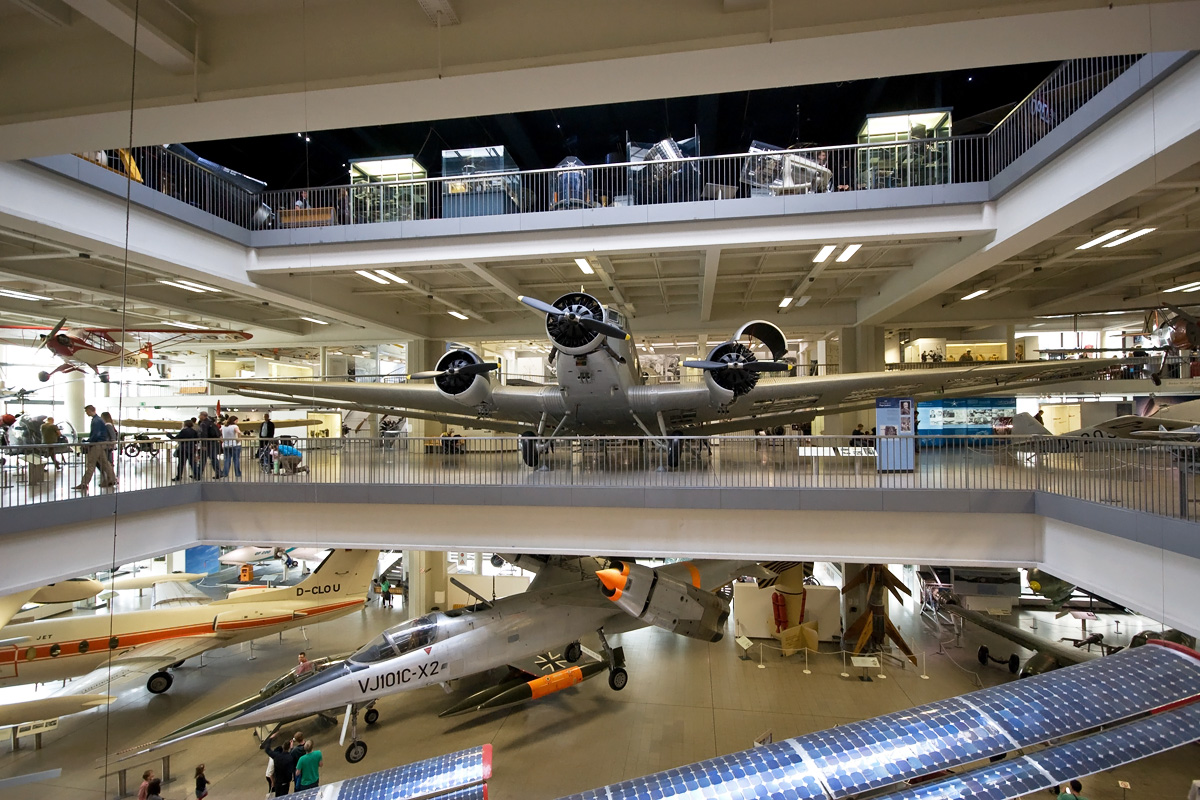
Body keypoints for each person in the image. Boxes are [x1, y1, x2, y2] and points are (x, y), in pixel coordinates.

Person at [75, 404, 117, 493]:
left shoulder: (96, 421)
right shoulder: (99, 420)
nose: (86, 413)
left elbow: (96, 434)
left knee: (91, 463)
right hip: (100, 444)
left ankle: (84, 483)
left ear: (90, 410)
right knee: (104, 463)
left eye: (86, 411)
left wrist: (88, 442)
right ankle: (112, 479)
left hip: (96, 444)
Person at [197, 411, 221, 478]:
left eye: (200, 415)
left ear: (203, 416)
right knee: (214, 458)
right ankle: (219, 473)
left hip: (207, 443)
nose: (199, 416)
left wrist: (204, 444)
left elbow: (203, 434)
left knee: (203, 459)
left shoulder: (203, 424)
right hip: (213, 442)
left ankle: (198, 474)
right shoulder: (211, 423)